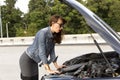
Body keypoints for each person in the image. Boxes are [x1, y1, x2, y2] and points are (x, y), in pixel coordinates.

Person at [19, 14, 66, 80]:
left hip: (34, 61)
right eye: (60, 25)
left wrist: (57, 66)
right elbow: (42, 52)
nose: (61, 28)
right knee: (28, 78)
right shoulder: (43, 33)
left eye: (62, 26)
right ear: (53, 23)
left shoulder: (53, 35)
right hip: (27, 59)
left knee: (35, 78)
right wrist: (48, 69)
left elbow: (52, 51)